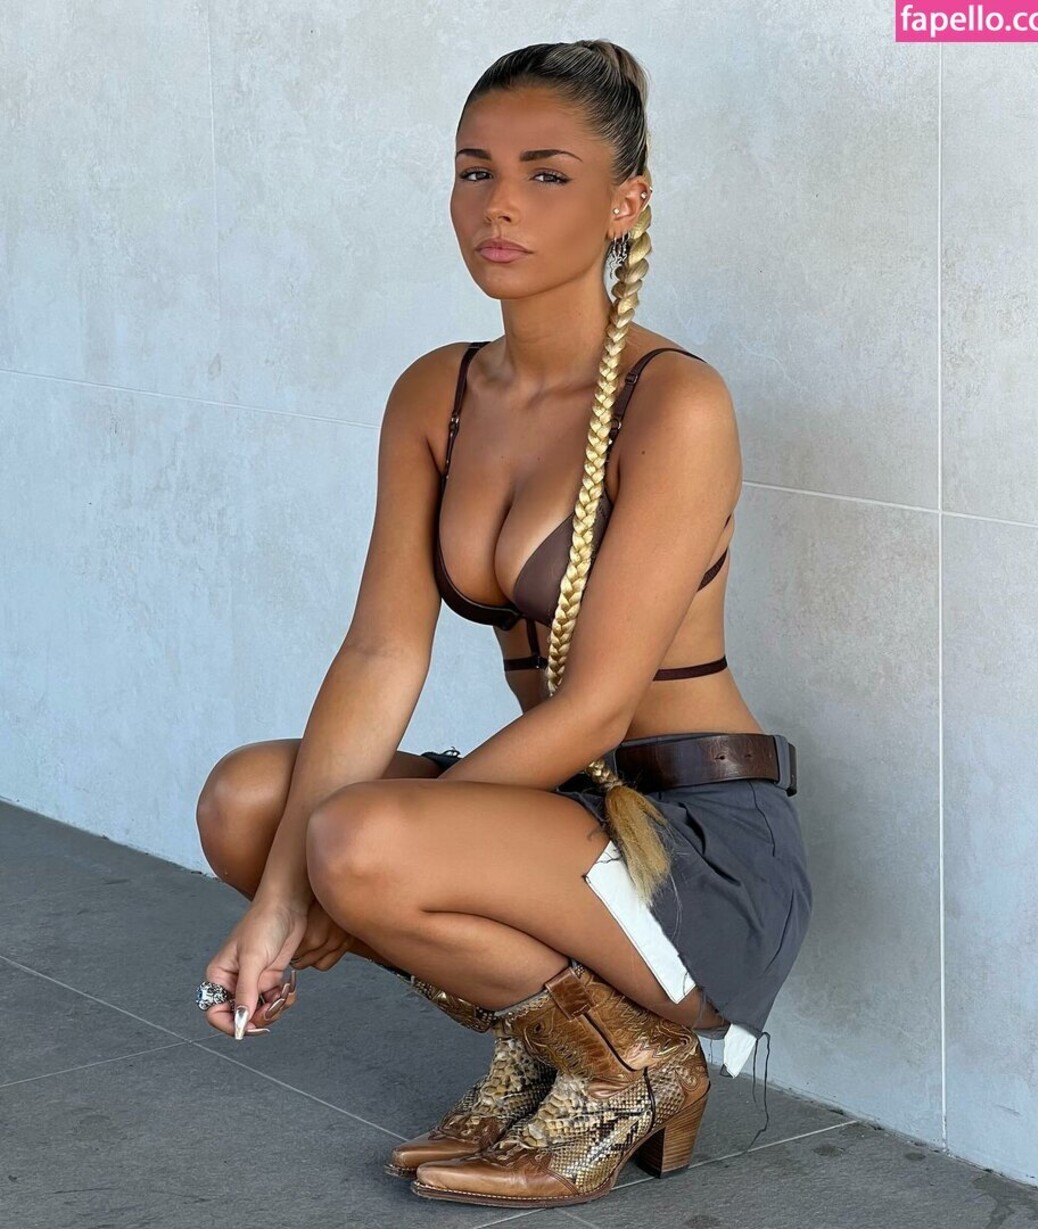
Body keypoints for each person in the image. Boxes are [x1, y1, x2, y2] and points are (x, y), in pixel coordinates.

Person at [194, 38, 812, 1211]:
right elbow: (381, 651)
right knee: (248, 804)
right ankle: (563, 1040)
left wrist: (354, 858)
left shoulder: (676, 402)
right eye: (475, 170)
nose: (500, 206)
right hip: (554, 808)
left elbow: (599, 705)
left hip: (691, 843)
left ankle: (634, 1070)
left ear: (626, 203)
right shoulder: (437, 392)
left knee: (354, 840)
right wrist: (278, 896)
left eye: (547, 174)